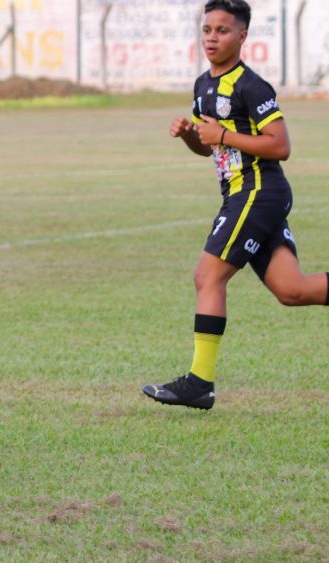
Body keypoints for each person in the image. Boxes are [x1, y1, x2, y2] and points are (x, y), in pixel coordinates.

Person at [142, 0, 328, 410]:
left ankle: (199, 383)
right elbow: (208, 147)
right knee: (292, 290)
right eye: (207, 29)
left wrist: (223, 136)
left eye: (222, 30)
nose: (212, 37)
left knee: (208, 277)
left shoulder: (251, 86)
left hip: (258, 192)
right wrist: (190, 135)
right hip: (245, 194)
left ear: (242, 36)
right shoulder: (202, 85)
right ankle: (200, 384)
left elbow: (280, 146)